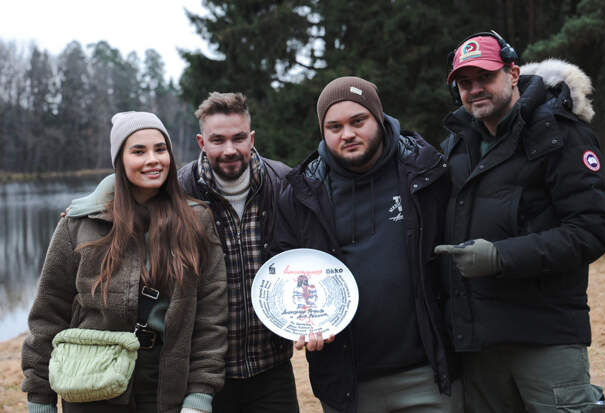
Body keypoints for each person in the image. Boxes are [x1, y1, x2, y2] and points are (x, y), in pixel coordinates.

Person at [63, 93, 299, 413]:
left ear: (251, 138)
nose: (229, 149)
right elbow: (125, 190)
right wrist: (84, 210)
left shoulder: (284, 183)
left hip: (270, 364)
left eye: (239, 138)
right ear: (201, 142)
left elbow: (310, 256)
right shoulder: (178, 190)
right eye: (218, 140)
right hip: (200, 371)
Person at [435, 31, 605, 412]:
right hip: (478, 345)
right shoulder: (455, 146)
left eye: (485, 77)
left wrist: (501, 257)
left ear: (513, 72)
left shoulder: (562, 134)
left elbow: (592, 230)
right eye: (465, 83)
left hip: (545, 337)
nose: (475, 90)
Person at [271, 76, 460, 413]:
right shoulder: (301, 193)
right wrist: (303, 322)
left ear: (379, 118)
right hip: (349, 384)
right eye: (334, 126)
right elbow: (283, 270)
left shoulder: (427, 171)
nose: (347, 134)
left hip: (428, 376)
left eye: (358, 121)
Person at [21, 111, 228, 413]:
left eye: (160, 149)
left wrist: (200, 395)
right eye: (138, 151)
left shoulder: (196, 220)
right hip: (90, 384)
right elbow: (48, 314)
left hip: (165, 385)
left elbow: (211, 316)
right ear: (120, 159)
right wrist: (39, 398)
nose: (153, 159)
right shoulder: (79, 224)